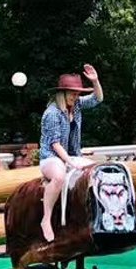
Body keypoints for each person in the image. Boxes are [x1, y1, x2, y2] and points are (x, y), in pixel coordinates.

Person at [39, 66, 103, 243]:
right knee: (59, 176)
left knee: (96, 172)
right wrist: (69, 161)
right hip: (51, 157)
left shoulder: (76, 106)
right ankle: (46, 219)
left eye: (78, 94)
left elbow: (97, 98)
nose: (76, 97)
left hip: (72, 155)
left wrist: (95, 81)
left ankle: (93, 217)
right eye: (73, 94)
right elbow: (55, 144)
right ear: (63, 93)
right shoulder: (52, 113)